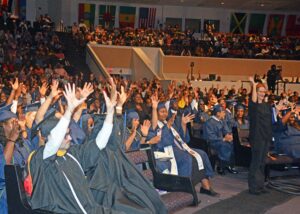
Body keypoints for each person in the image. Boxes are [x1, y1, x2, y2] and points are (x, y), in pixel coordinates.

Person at [28, 83, 120, 213]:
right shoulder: (42, 159)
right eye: (65, 135)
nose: (70, 138)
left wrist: (110, 113)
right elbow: (54, 140)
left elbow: (99, 143)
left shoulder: (73, 154)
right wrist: (69, 110)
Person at [148, 94, 219, 197]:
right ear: (156, 113)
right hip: (167, 150)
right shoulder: (153, 126)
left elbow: (184, 139)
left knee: (202, 154)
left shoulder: (170, 122)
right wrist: (165, 124)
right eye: (161, 112)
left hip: (179, 147)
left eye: (165, 111)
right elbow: (161, 143)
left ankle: (205, 186)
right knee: (187, 158)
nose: (164, 114)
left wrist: (183, 125)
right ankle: (184, 190)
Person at [248, 76, 272, 195]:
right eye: (260, 92)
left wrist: (265, 83)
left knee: (263, 162)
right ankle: (253, 187)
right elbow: (253, 99)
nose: (262, 94)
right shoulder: (254, 106)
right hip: (257, 137)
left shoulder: (266, 105)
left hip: (266, 136)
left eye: (263, 92)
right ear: (256, 93)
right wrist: (253, 84)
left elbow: (267, 93)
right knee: (256, 162)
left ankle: (260, 185)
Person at [203, 104, 238, 175]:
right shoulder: (209, 122)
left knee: (232, 143)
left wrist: (229, 136)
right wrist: (223, 139)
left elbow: (227, 130)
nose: (225, 113)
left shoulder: (222, 121)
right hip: (212, 142)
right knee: (225, 145)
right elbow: (210, 137)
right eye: (223, 112)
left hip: (222, 140)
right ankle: (221, 166)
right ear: (218, 113)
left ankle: (229, 165)